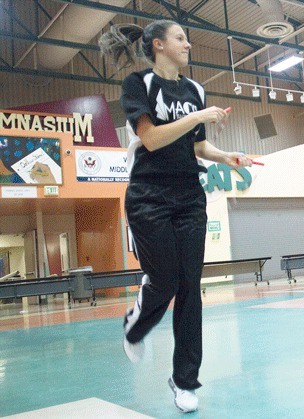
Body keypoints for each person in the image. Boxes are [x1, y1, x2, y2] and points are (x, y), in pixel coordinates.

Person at [99, 20, 252, 413]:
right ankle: (136, 324)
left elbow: (197, 147)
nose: (188, 44)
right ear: (158, 44)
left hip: (188, 196)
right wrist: (199, 118)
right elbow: (150, 138)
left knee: (189, 286)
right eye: (180, 38)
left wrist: (227, 157)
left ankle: (184, 380)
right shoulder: (138, 84)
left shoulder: (195, 90)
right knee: (164, 279)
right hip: (148, 194)